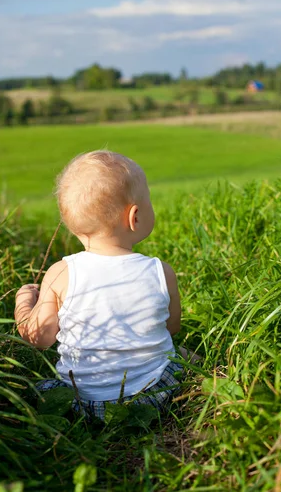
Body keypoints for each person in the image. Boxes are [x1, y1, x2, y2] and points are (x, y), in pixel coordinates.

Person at [14, 150, 184, 420]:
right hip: (154, 397)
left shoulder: (61, 274)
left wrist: (23, 304)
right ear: (135, 217)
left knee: (35, 392)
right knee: (182, 358)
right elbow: (172, 328)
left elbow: (38, 337)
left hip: (83, 403)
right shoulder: (161, 271)